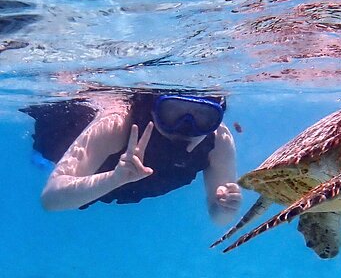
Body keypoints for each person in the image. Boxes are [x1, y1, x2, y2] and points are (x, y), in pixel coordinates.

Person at [22, 89, 242, 225]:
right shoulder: (119, 124)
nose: (185, 127)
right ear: (153, 108)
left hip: (126, 182)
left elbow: (219, 219)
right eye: (173, 112)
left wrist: (225, 207)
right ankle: (38, 155)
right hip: (67, 141)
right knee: (48, 146)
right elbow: (50, 198)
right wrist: (113, 179)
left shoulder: (218, 140)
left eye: (204, 117)